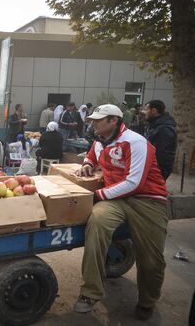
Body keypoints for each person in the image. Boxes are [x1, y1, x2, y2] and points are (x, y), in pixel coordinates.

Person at [73, 104, 168, 321]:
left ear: (114, 121)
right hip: (115, 198)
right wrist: (88, 164)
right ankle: (90, 292)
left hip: (148, 200)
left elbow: (134, 183)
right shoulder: (99, 141)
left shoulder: (135, 142)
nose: (93, 123)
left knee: (152, 259)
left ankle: (147, 300)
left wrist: (97, 196)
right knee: (96, 220)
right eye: (93, 119)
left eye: (98, 119)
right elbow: (91, 156)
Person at [143, 100, 177, 180]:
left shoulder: (164, 129)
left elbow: (161, 154)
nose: (145, 112)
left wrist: (154, 170)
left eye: (147, 109)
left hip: (157, 170)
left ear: (154, 111)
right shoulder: (154, 125)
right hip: (151, 167)